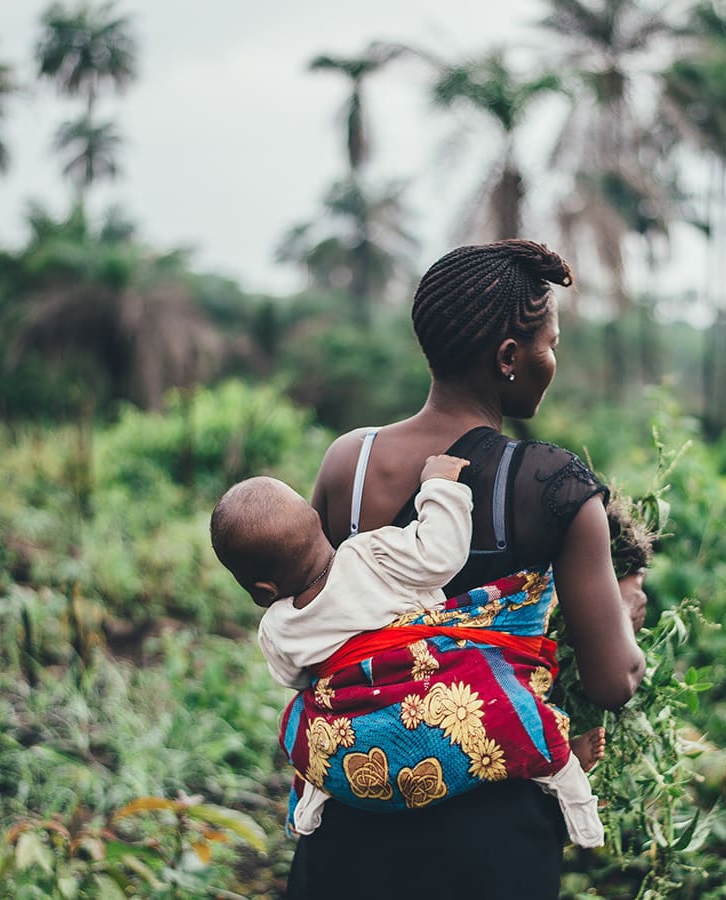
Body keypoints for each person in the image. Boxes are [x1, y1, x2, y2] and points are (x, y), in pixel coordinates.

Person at [286, 239, 647, 899]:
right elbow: (614, 681)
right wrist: (625, 603)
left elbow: (314, 619)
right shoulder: (554, 484)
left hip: (354, 809)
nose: (553, 361)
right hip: (490, 838)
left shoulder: (349, 462)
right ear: (510, 357)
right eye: (551, 343)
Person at [208, 453, 607, 847]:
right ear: (317, 522)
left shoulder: (276, 627)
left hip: (358, 742)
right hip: (430, 698)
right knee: (506, 706)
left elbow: (296, 679)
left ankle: (315, 794)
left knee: (301, 722)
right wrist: (439, 485)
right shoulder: (369, 554)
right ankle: (567, 782)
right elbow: (440, 555)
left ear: (262, 590)